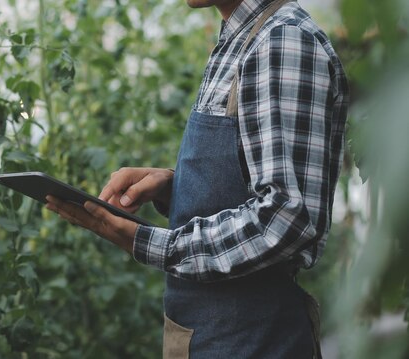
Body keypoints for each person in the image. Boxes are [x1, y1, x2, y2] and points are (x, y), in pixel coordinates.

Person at [46, 0, 349, 357]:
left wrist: (148, 243)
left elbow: (285, 219)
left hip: (254, 339)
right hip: (213, 336)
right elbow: (252, 182)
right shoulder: (242, 36)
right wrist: (176, 189)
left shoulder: (282, 41)